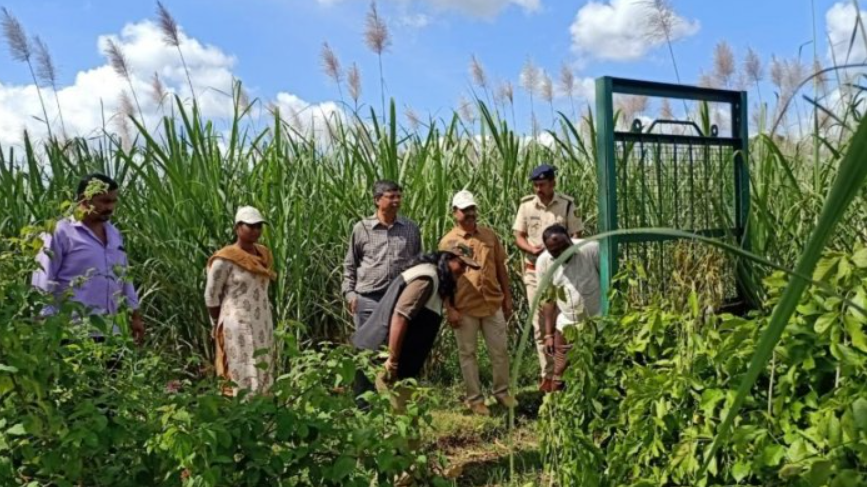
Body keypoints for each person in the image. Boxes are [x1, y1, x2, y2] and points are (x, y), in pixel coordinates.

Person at [352, 244, 480, 411]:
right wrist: (392, 359)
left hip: (386, 354)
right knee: (377, 411)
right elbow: (401, 315)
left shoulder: (435, 277)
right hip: (378, 354)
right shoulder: (427, 278)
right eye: (461, 265)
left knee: (394, 414)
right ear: (447, 259)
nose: (463, 271)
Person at [32, 173, 145, 343]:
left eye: (114, 201)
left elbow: (124, 278)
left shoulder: (114, 234)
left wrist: (135, 316)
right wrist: (45, 327)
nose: (111, 207)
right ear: (84, 200)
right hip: (71, 332)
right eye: (105, 201)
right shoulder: (60, 233)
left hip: (110, 331)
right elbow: (42, 280)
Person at [439, 190, 516, 415]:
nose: (471, 214)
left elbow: (501, 267)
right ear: (455, 213)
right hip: (464, 306)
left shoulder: (489, 236)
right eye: (465, 211)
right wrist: (449, 308)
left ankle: (501, 392)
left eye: (472, 209)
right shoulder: (448, 242)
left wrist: (507, 297)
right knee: (468, 353)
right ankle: (474, 399)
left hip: (492, 302)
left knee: (500, 350)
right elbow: (443, 277)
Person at [512, 163, 584, 392]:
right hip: (535, 272)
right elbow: (518, 235)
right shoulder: (526, 206)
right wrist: (530, 249)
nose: (538, 189)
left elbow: (576, 234)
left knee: (567, 321)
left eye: (542, 184)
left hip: (563, 272)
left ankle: (566, 374)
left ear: (553, 183)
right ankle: (548, 376)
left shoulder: (567, 204)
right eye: (535, 185)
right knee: (541, 325)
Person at [204, 206, 277, 397]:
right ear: (238, 228)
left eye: (259, 226)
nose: (255, 231)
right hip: (237, 320)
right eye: (250, 226)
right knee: (243, 366)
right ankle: (242, 408)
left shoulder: (264, 254)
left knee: (263, 363)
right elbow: (211, 295)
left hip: (262, 319)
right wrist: (214, 322)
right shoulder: (225, 259)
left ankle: (265, 410)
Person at [342, 180, 422, 332]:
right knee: (367, 351)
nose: (397, 201)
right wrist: (350, 294)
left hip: (400, 299)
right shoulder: (362, 228)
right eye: (391, 197)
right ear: (377, 200)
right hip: (367, 300)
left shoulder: (411, 228)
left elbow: (418, 264)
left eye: (399, 196)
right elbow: (350, 264)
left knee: (398, 350)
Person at [536, 224, 601, 392]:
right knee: (559, 372)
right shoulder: (544, 262)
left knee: (597, 367)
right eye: (555, 252)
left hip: (597, 320)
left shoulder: (591, 249)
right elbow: (548, 299)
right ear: (548, 250)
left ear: (571, 239)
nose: (562, 254)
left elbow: (609, 280)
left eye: (565, 248)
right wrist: (548, 334)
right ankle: (558, 408)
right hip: (567, 323)